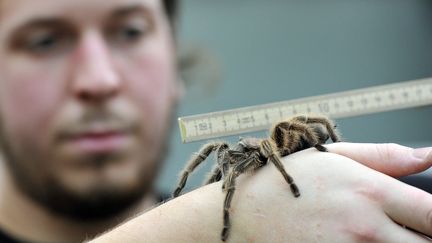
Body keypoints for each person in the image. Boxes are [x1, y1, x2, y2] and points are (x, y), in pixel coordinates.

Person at [0, 0, 431, 242]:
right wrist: (196, 223)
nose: (99, 80)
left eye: (130, 32)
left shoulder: (346, 221)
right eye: (45, 40)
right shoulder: (215, 215)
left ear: (174, 67)